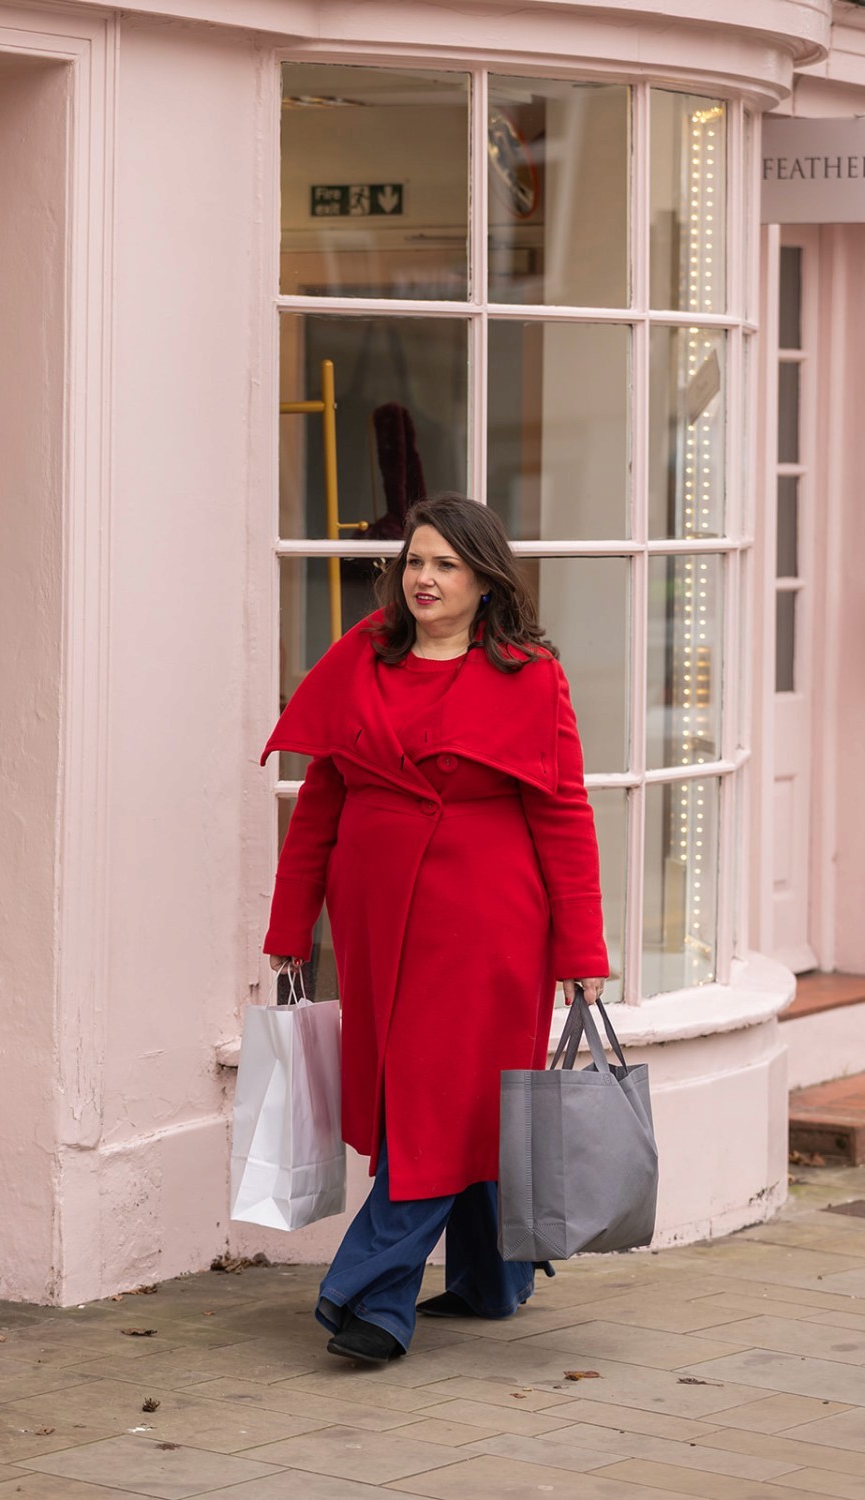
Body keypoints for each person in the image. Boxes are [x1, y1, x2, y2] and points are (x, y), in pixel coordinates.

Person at [261, 494, 608, 1366]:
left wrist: (582, 950)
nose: (424, 578)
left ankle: (371, 1296)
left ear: (485, 581)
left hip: (486, 921)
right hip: (376, 918)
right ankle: (493, 1278)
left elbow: (565, 814)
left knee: (435, 1096)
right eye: (414, 561)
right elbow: (321, 805)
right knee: (438, 1091)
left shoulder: (532, 676)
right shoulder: (358, 660)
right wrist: (289, 925)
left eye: (446, 565)